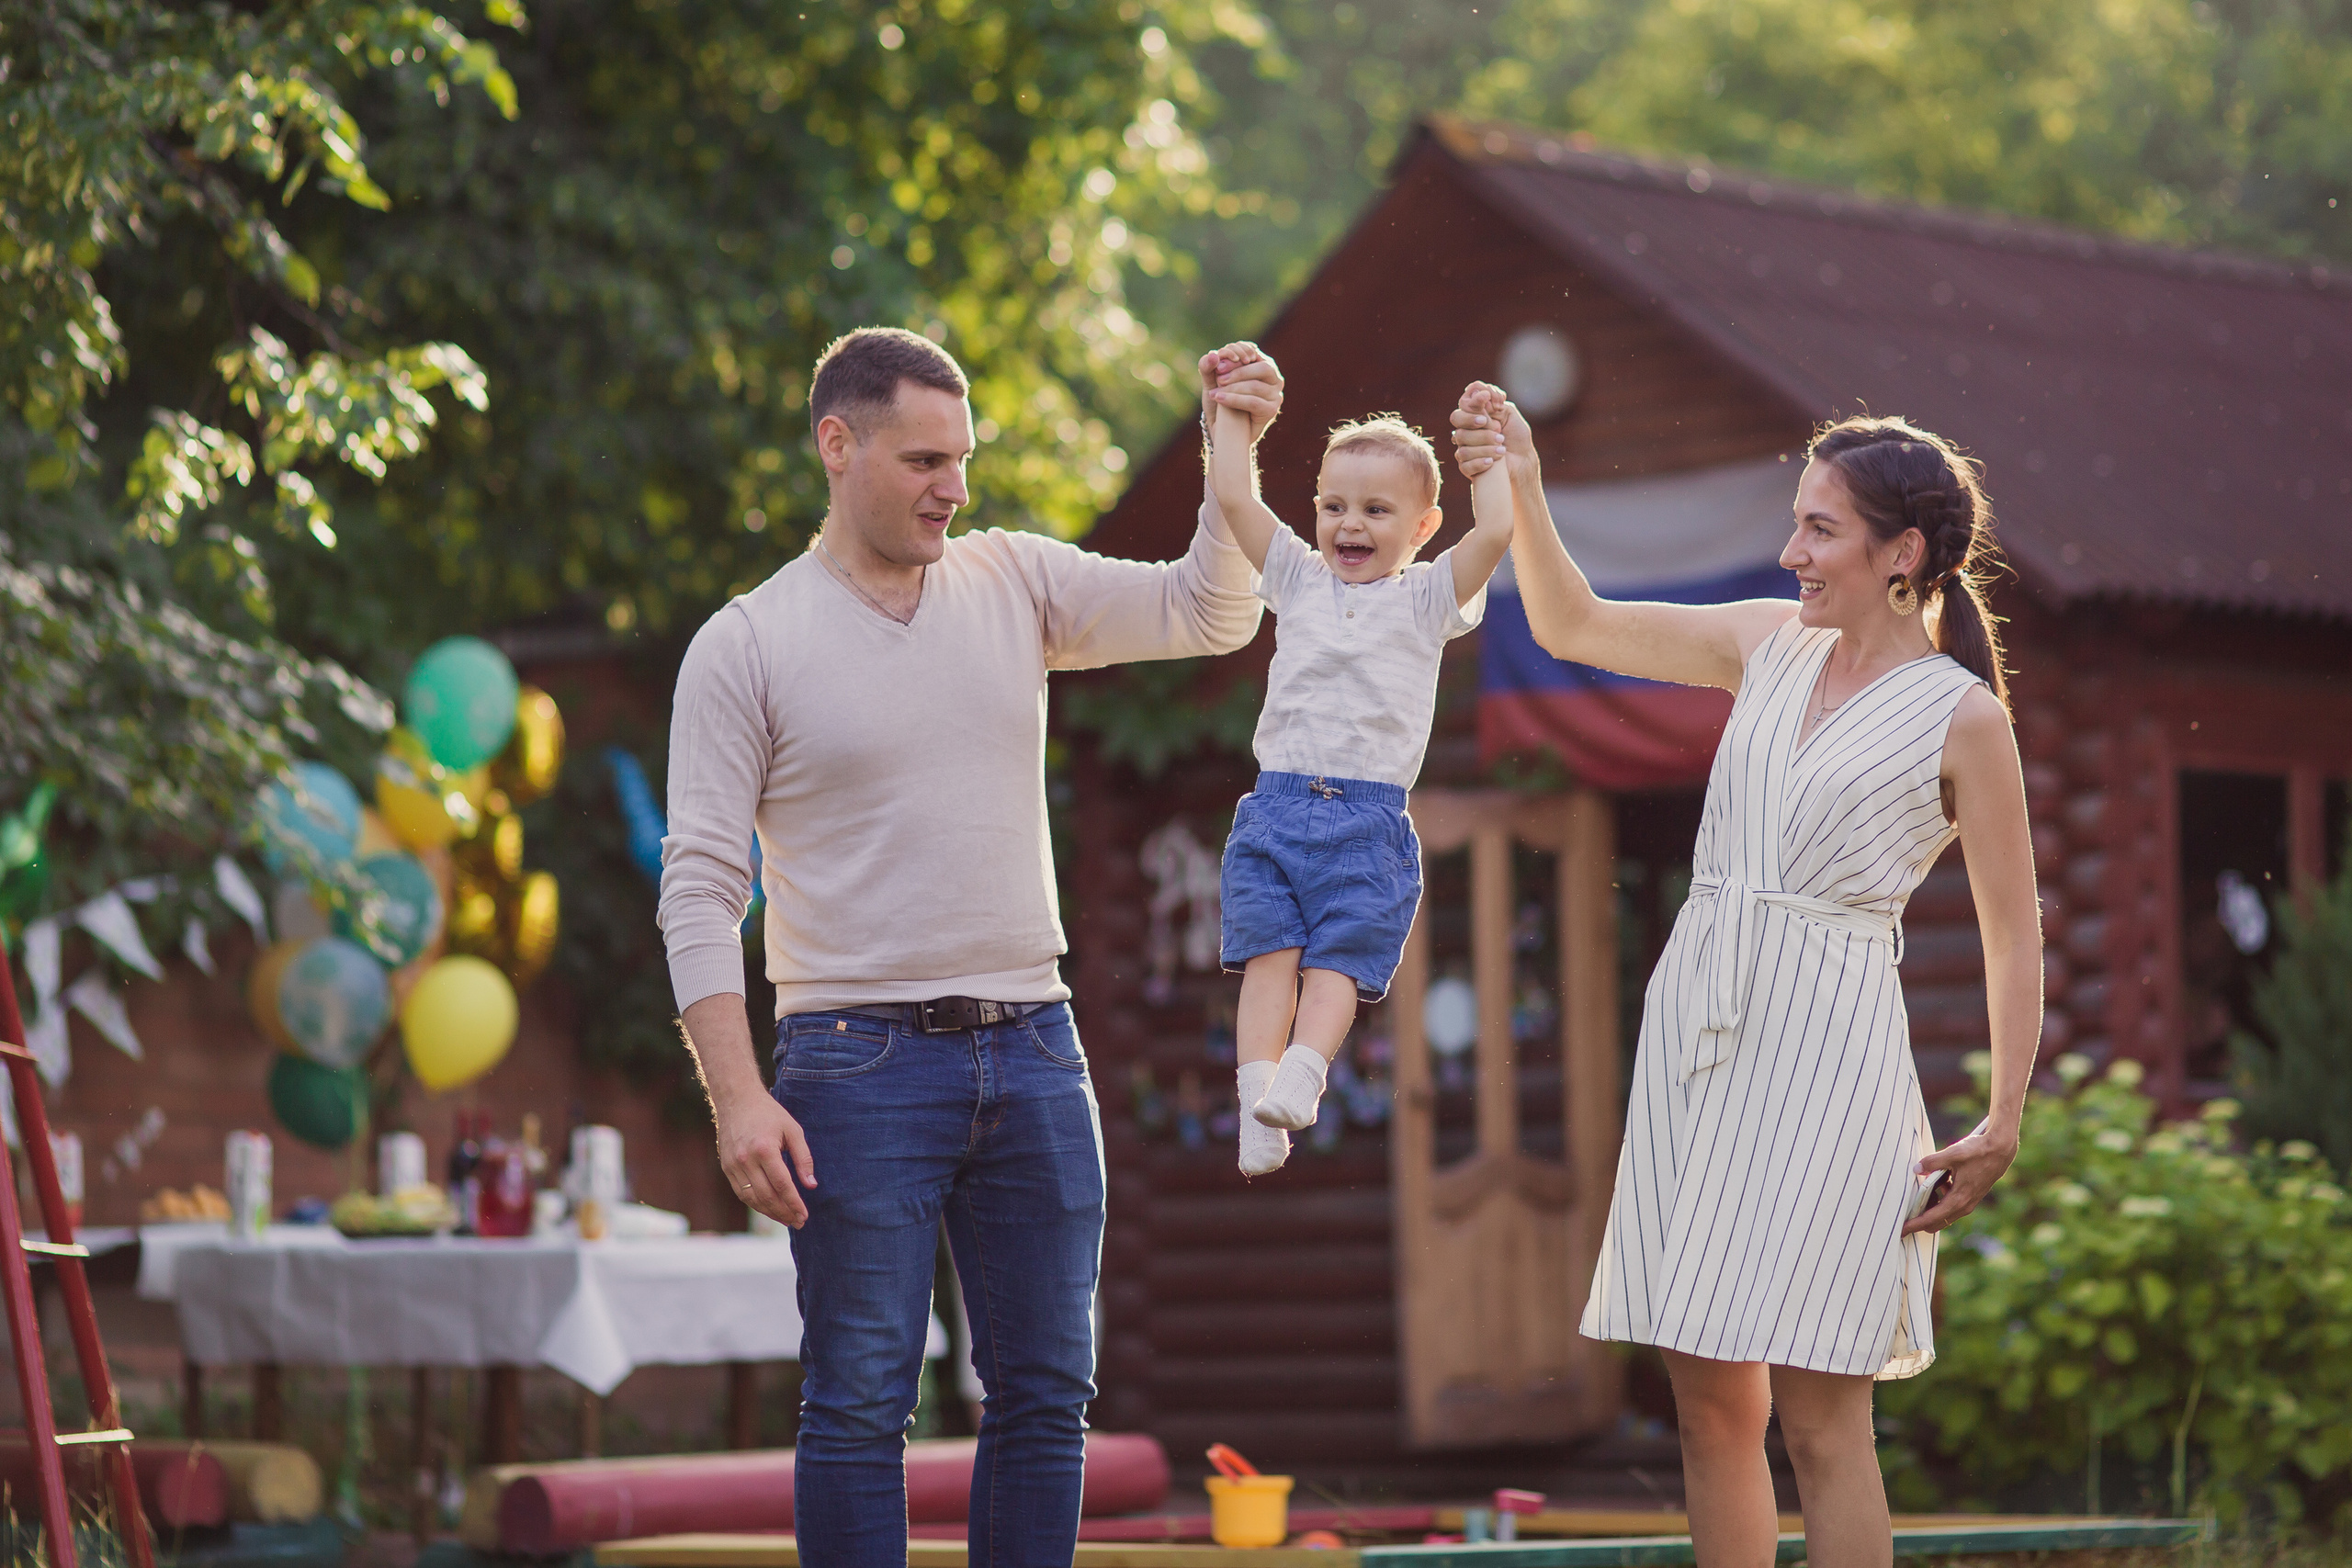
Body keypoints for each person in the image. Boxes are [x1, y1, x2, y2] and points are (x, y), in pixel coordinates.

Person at [657, 326, 1284, 1568]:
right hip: (851, 1062)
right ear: (838, 445)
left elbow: (1212, 610)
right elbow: (699, 888)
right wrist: (737, 1096)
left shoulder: (1015, 582)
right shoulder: (748, 643)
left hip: (1035, 1045)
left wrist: (1234, 447)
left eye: (964, 458)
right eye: (925, 458)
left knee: (1048, 1394)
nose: (956, 485)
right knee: (859, 1401)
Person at [1453, 387, 2041, 1568]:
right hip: (1699, 1039)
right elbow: (1572, 627)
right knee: (1710, 1403)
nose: (1790, 551)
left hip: (1833, 1056)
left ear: (1901, 554)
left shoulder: (1962, 719)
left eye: (1818, 528)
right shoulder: (1762, 641)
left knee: (1825, 1416)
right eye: (1796, 523)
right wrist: (1519, 477)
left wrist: (2003, 1118)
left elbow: (2011, 930)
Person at [1202, 344, 1514, 1175]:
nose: (1350, 524)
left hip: (1367, 819)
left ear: (1421, 528)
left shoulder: (1427, 600)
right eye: (1334, 505)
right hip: (1273, 808)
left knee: (1339, 956)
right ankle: (1257, 1108)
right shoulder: (1298, 580)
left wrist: (1485, 450)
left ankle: (1304, 1075)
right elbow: (1235, 492)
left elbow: (1498, 529)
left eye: (1377, 511)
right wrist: (1234, 417)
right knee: (1267, 956)